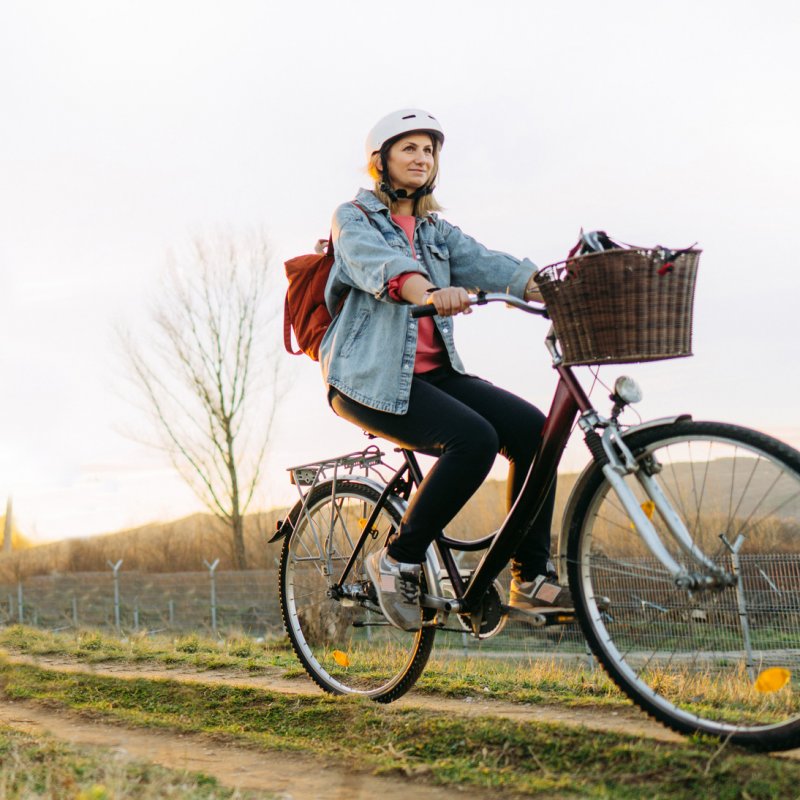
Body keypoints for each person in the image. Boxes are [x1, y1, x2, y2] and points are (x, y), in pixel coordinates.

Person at [319, 108, 569, 631]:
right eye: (408, 147)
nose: (421, 158)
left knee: (534, 433)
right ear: (379, 161)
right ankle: (398, 561)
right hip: (367, 379)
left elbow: (490, 263)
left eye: (428, 150)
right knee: (474, 440)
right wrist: (429, 292)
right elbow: (382, 268)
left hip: (435, 376)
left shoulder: (436, 230)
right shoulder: (353, 219)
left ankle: (531, 576)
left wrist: (555, 289)